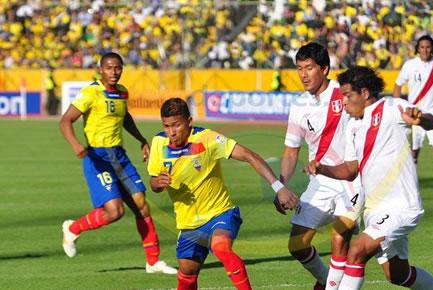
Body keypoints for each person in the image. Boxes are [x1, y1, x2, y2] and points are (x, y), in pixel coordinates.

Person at [306, 66, 433, 290]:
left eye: (347, 95)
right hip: (374, 211)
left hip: (401, 207)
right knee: (397, 274)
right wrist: (322, 168)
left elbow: (431, 122)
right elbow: (349, 170)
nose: (343, 101)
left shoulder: (392, 106)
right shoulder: (352, 127)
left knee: (357, 251)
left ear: (364, 93)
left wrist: (421, 119)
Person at [147, 98, 299, 290]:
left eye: (176, 125)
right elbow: (153, 182)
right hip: (188, 223)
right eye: (167, 126)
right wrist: (157, 183)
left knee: (221, 246)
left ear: (189, 121)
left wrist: (279, 187)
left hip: (220, 213)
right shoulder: (159, 143)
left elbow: (249, 156)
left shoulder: (207, 139)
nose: (172, 132)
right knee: (186, 274)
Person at [59, 52, 177, 274]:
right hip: (97, 158)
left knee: (142, 205)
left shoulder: (122, 93)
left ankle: (153, 262)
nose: (114, 72)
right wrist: (76, 145)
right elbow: (66, 120)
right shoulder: (91, 92)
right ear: (101, 70)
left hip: (119, 156)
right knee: (115, 212)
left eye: (118, 68)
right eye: (110, 68)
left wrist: (141, 140)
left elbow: (125, 117)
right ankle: (73, 228)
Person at [279, 42, 363, 290]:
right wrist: (281, 187)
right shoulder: (298, 105)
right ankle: (327, 281)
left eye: (309, 68)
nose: (303, 74)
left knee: (341, 241)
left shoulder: (345, 93)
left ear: (325, 69)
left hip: (351, 181)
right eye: (299, 68)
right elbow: (291, 150)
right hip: (321, 182)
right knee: (297, 244)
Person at [393, 34, 433, 203]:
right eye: (422, 47)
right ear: (417, 49)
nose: (425, 50)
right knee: (413, 154)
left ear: (432, 48)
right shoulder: (409, 65)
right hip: (414, 115)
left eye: (428, 47)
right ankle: (412, 192)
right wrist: (397, 108)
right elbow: (398, 85)